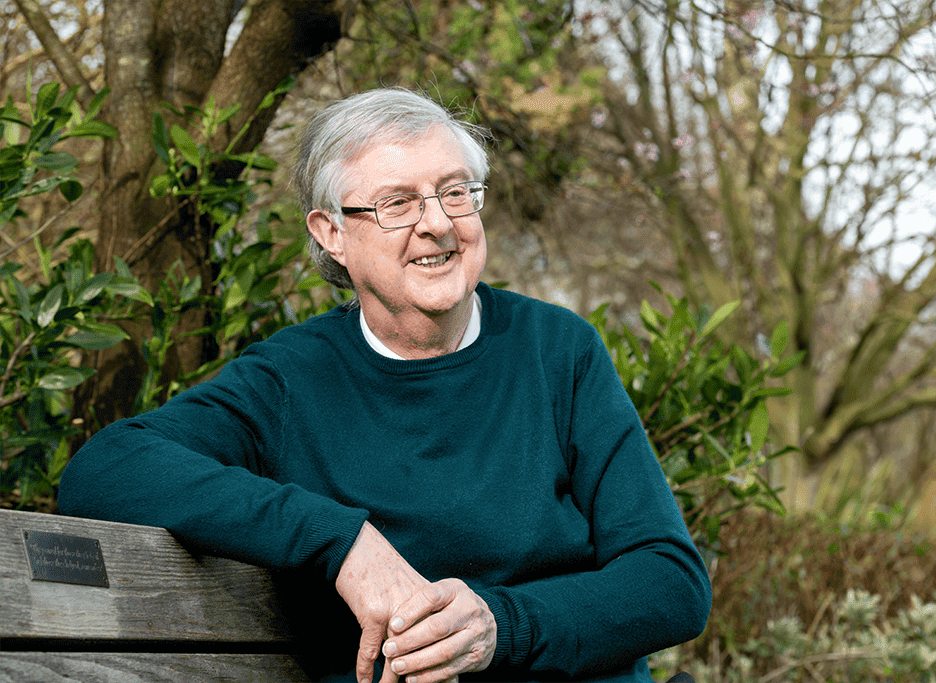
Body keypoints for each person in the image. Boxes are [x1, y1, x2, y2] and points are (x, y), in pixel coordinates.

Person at [58, 87, 712, 683]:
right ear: (332, 233)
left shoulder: (557, 349)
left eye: (455, 192)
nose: (437, 223)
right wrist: (339, 539)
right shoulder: (291, 379)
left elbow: (670, 581)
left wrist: (499, 624)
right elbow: (106, 468)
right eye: (399, 202)